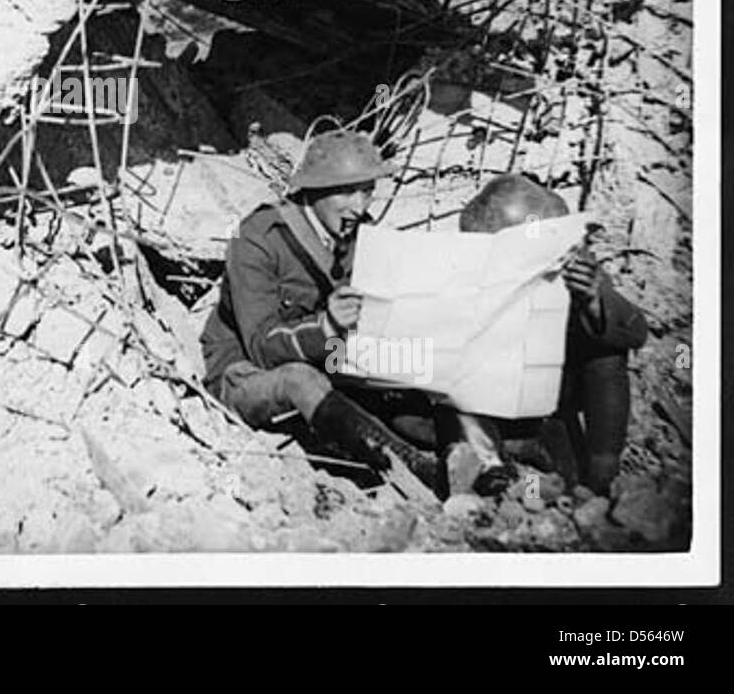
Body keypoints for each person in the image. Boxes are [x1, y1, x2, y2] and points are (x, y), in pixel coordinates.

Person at [201, 129, 440, 489]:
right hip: (248, 375)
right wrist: (327, 326)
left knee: (412, 368)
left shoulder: (358, 233)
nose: (359, 206)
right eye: (347, 191)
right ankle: (418, 471)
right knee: (301, 379)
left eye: (367, 190)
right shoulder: (257, 237)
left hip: (330, 361)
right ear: (314, 191)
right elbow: (262, 348)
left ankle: (486, 458)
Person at [454, 174, 649, 495]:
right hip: (487, 409)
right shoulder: (467, 276)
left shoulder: (571, 273)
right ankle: (496, 467)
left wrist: (594, 299)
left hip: (550, 408)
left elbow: (635, 331)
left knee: (606, 353)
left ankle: (601, 476)